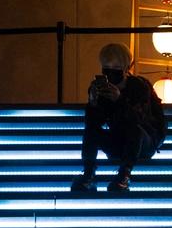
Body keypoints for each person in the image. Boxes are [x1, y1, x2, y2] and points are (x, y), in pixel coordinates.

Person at [72, 44, 167, 195]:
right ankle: (88, 174)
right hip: (119, 141)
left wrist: (119, 99)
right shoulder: (102, 88)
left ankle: (124, 176)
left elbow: (139, 120)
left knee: (134, 130)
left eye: (116, 66)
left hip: (145, 140)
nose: (110, 71)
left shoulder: (139, 86)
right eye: (106, 66)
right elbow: (93, 125)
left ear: (126, 67)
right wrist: (93, 103)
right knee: (91, 132)